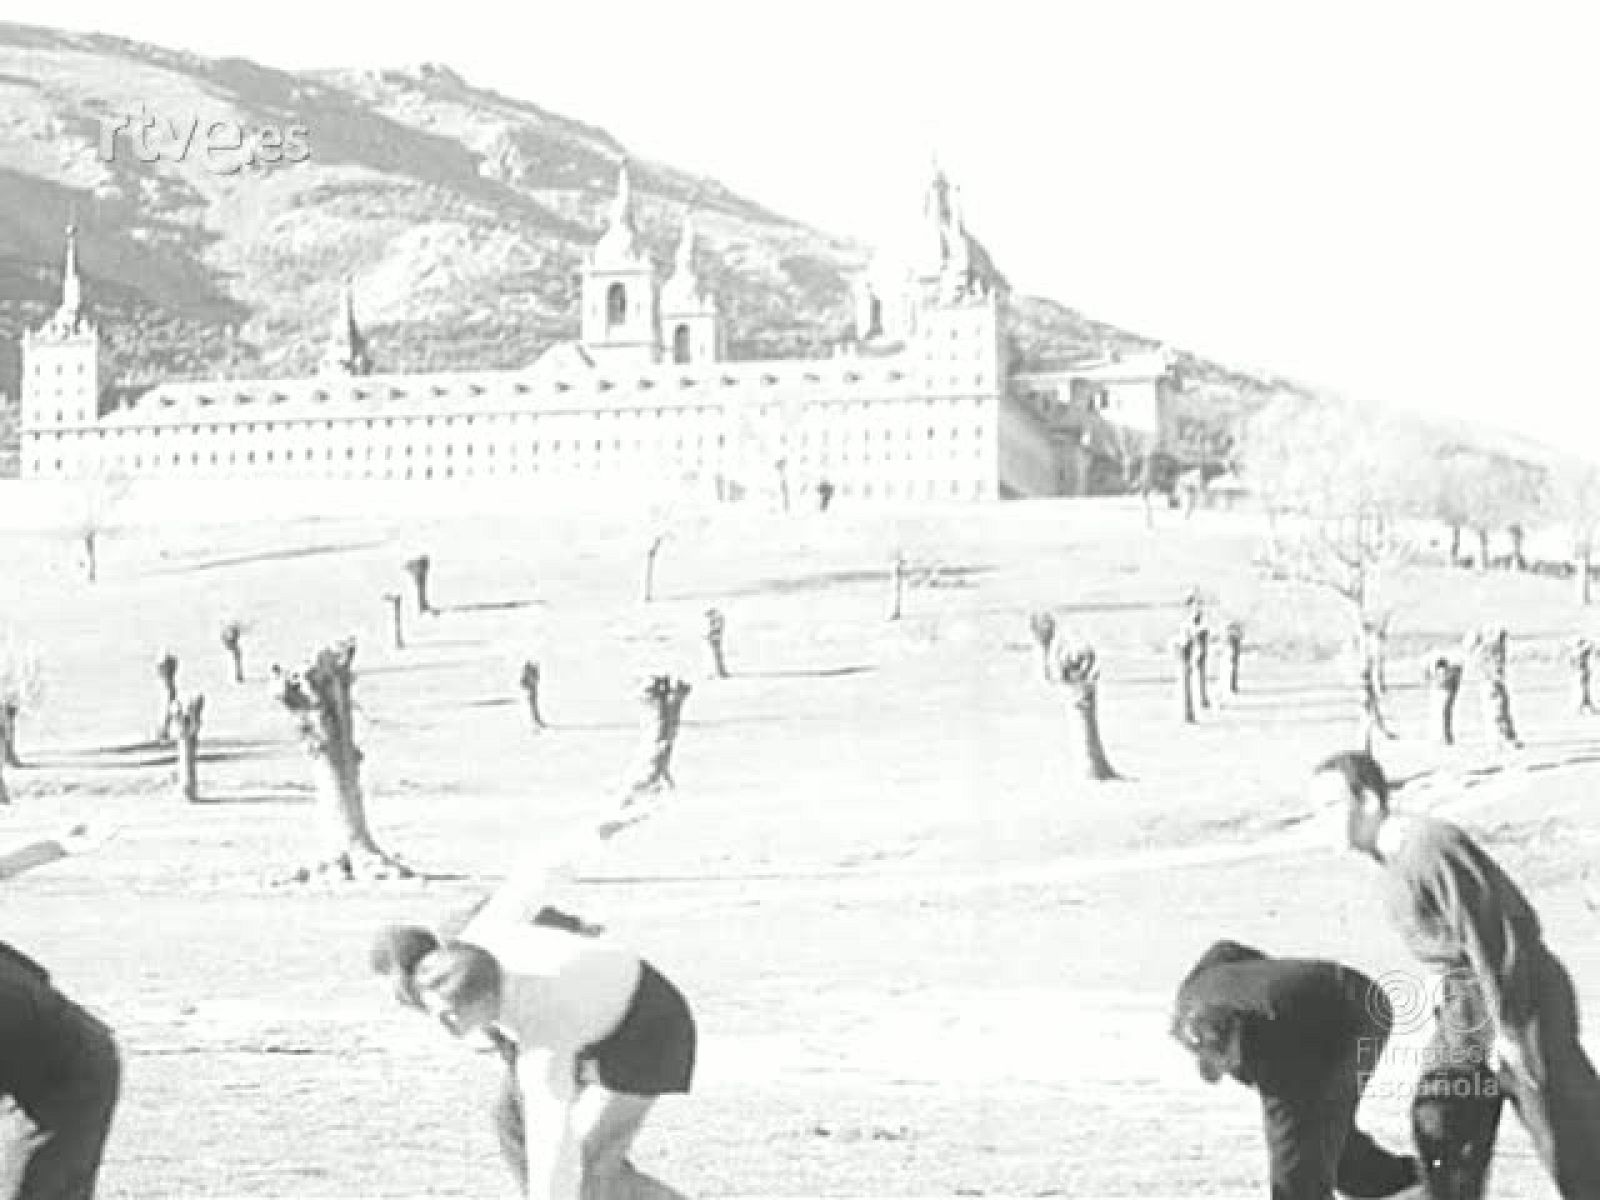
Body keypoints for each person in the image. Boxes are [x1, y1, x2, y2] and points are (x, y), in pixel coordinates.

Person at [1313, 749, 1600, 1198]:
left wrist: (1508, 1029)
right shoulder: (1390, 861)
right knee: (1440, 1118)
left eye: (1331, 807)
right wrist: (1440, 988)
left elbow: (1494, 936)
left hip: (1520, 993)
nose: (1322, 820)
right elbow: (1449, 941)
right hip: (1469, 1004)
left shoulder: (1430, 846)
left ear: (1368, 801)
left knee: (1570, 1141)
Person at [374, 797, 693, 1200]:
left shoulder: (545, 1032)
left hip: (648, 1024)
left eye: (452, 1018)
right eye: (433, 1011)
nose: (443, 1028)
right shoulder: (483, 935)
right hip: (590, 1005)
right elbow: (539, 871)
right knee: (512, 1122)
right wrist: (599, 829)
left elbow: (550, 1131)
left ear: (485, 1004)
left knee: (591, 1168)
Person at [1172, 938, 1420, 1200]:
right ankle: (1429, 1179)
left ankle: (1436, 1183)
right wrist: (1274, 982)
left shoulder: (1270, 1052)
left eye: (1232, 1057)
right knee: (1330, 1142)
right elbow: (1227, 950)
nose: (1230, 1068)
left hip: (1337, 1023)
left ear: (1239, 1025)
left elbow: (1288, 1152)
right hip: (1361, 994)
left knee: (1298, 1168)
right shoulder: (1204, 987)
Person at [0, 822, 122, 1199]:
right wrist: (55, 846)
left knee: (37, 1190)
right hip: (23, 1058)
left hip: (73, 1070)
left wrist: (55, 846)